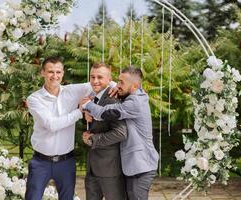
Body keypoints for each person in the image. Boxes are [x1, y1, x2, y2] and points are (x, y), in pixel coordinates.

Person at [80, 66, 159, 200]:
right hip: (133, 166)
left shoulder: (135, 102)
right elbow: (106, 89)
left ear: (134, 86)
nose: (117, 85)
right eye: (118, 81)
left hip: (141, 167)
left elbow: (105, 112)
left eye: (121, 82)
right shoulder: (133, 95)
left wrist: (87, 104)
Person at [25, 57, 96, 200]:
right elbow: (52, 125)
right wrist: (79, 112)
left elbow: (100, 82)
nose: (55, 76)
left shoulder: (73, 91)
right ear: (42, 73)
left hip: (66, 162)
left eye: (58, 72)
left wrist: (129, 89)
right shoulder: (34, 99)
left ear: (63, 73)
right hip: (40, 162)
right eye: (50, 72)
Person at [81, 62, 127, 200]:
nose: (95, 81)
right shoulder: (93, 97)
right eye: (92, 77)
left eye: (100, 77)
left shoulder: (112, 101)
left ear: (109, 79)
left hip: (110, 169)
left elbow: (121, 133)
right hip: (93, 167)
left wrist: (93, 139)